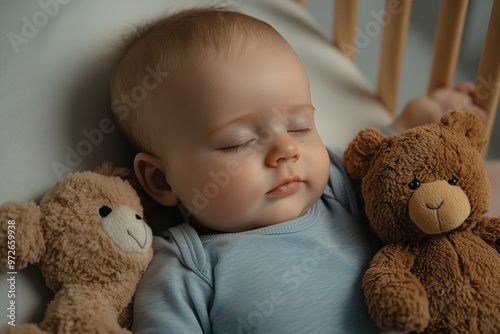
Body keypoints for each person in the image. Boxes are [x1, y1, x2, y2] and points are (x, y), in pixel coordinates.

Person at [109, 7, 496, 333]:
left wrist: (415, 117)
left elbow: (391, 170)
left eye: (299, 127)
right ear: (161, 180)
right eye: (239, 141)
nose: (286, 149)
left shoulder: (334, 190)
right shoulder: (187, 264)